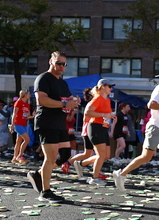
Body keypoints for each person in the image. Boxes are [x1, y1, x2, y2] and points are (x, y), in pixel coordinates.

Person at [112, 67, 159, 196]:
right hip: (155, 129)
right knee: (146, 157)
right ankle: (121, 174)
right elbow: (150, 105)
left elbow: (157, 109)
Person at [27, 51, 81, 203]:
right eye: (59, 63)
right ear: (51, 61)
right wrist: (65, 104)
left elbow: (69, 99)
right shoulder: (43, 78)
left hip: (59, 123)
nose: (62, 67)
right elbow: (41, 100)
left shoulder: (62, 83)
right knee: (50, 158)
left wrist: (74, 101)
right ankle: (45, 192)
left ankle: (38, 174)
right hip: (46, 122)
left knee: (64, 155)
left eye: (64, 64)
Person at [83, 79, 116, 186]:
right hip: (95, 128)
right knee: (101, 155)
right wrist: (103, 114)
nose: (111, 88)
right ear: (102, 87)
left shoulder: (107, 100)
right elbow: (87, 112)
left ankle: (81, 163)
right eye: (110, 86)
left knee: (106, 155)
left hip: (103, 128)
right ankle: (94, 178)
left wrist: (111, 115)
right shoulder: (98, 98)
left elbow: (105, 113)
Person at [68, 87, 96, 178]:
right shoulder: (91, 105)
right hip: (89, 131)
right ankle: (94, 172)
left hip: (90, 131)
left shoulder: (94, 104)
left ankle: (71, 163)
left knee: (88, 153)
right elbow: (87, 119)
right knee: (100, 154)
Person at [11, 90, 34, 164]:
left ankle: (14, 157)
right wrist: (12, 125)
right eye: (29, 94)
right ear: (24, 94)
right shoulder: (18, 102)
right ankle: (20, 155)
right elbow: (14, 114)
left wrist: (34, 116)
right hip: (18, 124)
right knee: (27, 139)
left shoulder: (27, 104)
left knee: (18, 141)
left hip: (24, 124)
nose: (30, 96)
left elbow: (28, 116)